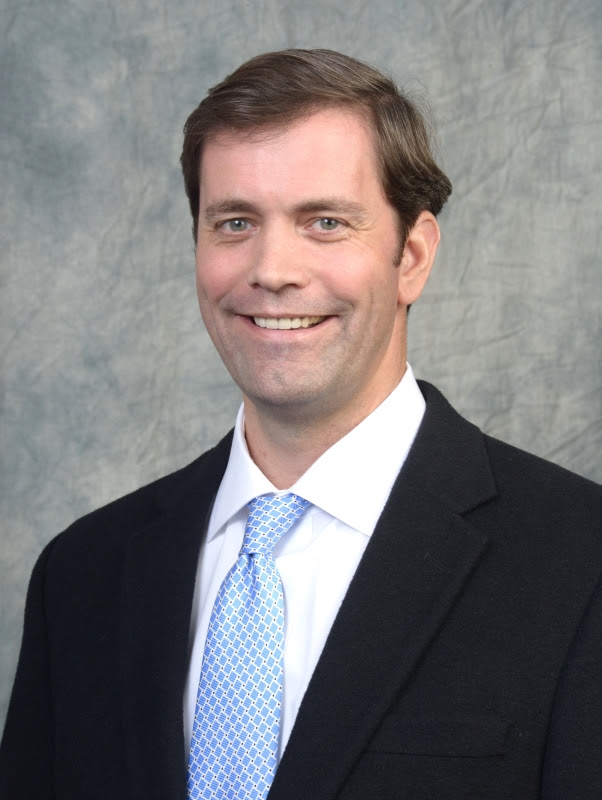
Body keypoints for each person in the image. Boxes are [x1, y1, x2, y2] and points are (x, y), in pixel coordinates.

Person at [1, 48, 601, 800]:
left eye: (325, 222)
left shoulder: (581, 563)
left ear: (412, 257)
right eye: (234, 222)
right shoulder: (81, 575)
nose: (272, 269)